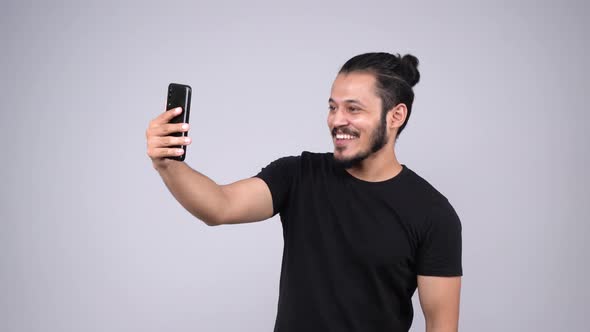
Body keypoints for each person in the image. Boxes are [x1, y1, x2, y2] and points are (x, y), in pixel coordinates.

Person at [145, 52, 462, 332]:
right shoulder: (298, 175)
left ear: (396, 116)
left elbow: (441, 326)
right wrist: (167, 164)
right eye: (332, 107)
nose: (337, 120)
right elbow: (219, 206)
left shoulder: (433, 214)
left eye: (353, 109)